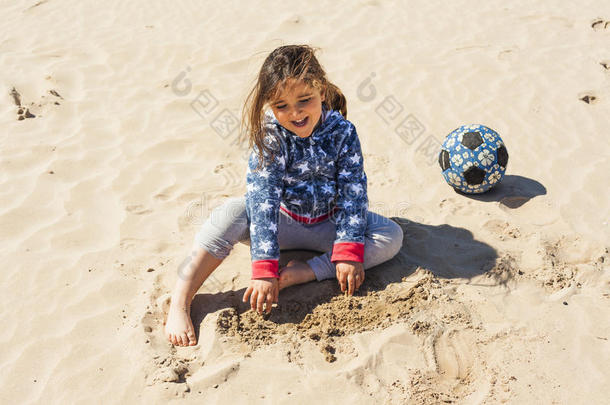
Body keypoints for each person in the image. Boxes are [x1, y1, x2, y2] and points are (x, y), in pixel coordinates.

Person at [165, 45, 403, 347]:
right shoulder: (271, 136)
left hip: (328, 223)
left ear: (322, 90)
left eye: (305, 100)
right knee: (228, 214)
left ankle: (305, 272)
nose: (296, 113)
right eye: (282, 106)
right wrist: (264, 268)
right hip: (282, 223)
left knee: (391, 234)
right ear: (269, 105)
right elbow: (262, 203)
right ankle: (180, 301)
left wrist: (348, 250)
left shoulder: (342, 131)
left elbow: (353, 192)